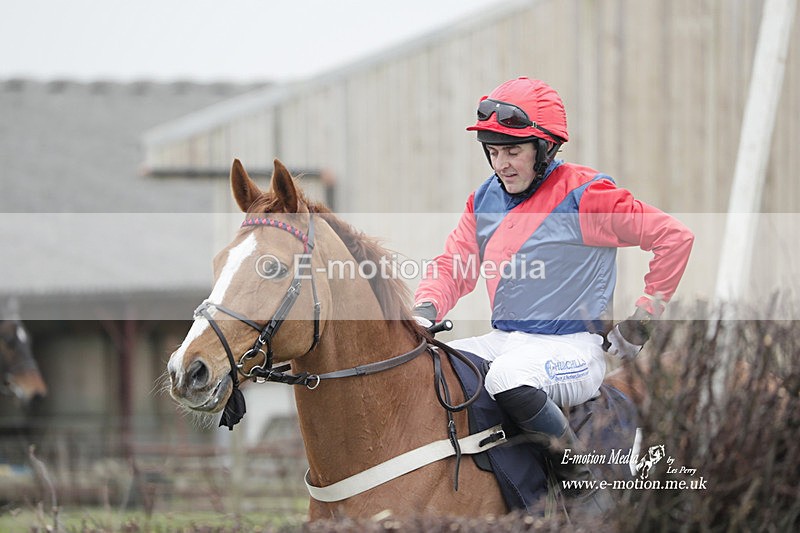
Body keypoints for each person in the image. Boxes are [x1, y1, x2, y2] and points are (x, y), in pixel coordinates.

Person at [413, 77, 694, 514]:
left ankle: (584, 484)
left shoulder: (588, 195)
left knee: (507, 378)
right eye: (493, 151)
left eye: (513, 151)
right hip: (505, 338)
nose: (501, 164)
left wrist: (643, 319)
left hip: (573, 346)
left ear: (545, 148)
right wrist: (425, 308)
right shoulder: (483, 200)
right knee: (432, 366)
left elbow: (674, 237)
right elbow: (454, 264)